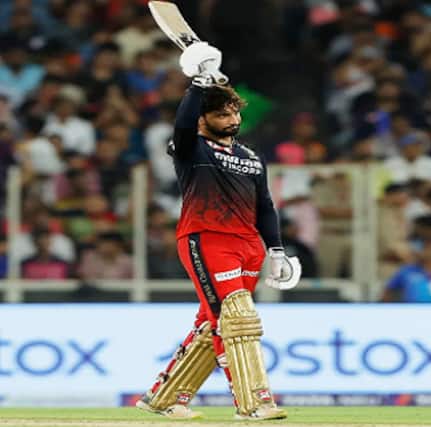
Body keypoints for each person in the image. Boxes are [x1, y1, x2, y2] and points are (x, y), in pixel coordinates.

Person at [136, 41, 300, 421]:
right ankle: (253, 403)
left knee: (211, 323)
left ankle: (164, 398)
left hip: (249, 245)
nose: (231, 119)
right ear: (203, 118)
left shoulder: (251, 157)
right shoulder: (191, 149)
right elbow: (181, 124)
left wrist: (276, 250)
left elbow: (265, 205)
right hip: (207, 238)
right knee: (236, 319)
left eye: (234, 112)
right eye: (221, 113)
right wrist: (198, 84)